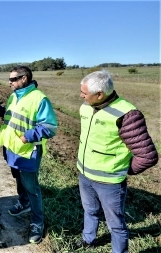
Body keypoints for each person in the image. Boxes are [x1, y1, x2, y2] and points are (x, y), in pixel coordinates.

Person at [76, 70, 158, 253]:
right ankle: (88, 240)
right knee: (89, 211)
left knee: (116, 225)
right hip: (84, 175)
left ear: (99, 94)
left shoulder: (127, 115)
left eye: (84, 93)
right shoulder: (86, 107)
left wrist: (124, 169)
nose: (81, 96)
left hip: (109, 183)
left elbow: (148, 155)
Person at [0, 65, 57, 244]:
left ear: (24, 79)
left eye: (13, 79)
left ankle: (37, 222)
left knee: (32, 188)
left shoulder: (39, 98)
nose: (9, 82)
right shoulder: (13, 97)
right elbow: (13, 118)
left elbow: (50, 127)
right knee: (19, 181)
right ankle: (23, 203)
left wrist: (26, 137)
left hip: (27, 151)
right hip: (12, 149)